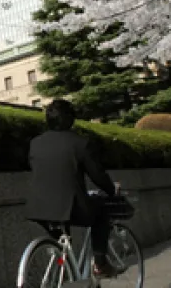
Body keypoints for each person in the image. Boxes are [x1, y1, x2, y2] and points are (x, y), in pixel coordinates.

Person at [25, 99, 120, 277]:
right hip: (71, 206)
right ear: (71, 119)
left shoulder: (35, 143)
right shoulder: (80, 143)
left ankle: (66, 274)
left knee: (62, 246)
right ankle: (100, 264)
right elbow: (97, 175)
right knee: (101, 213)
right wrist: (111, 189)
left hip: (39, 208)